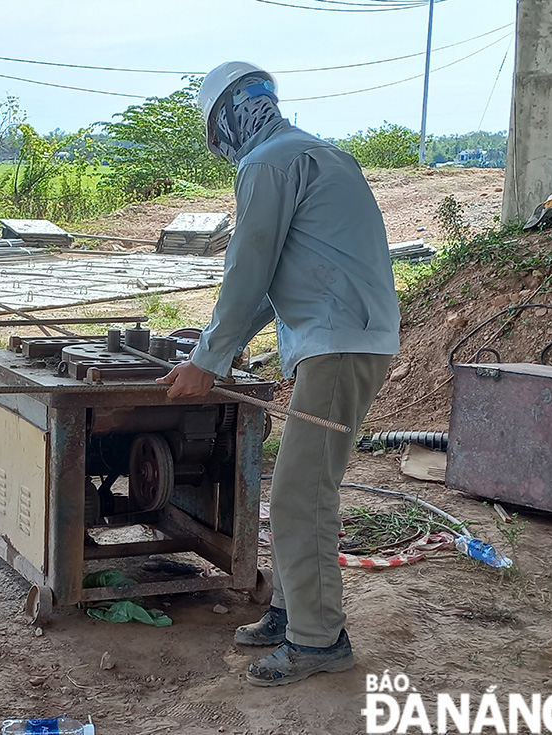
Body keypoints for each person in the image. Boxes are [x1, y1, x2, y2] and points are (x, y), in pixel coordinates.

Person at [157, 61, 401, 686]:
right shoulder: (313, 153)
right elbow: (273, 281)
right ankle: (293, 608)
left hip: (338, 344)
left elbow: (249, 266)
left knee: (299, 493)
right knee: (301, 486)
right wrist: (218, 351)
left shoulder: (266, 163)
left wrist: (207, 362)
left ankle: (319, 641)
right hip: (344, 338)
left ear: (230, 118)